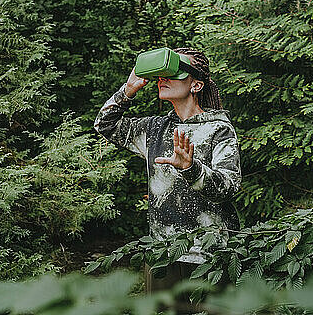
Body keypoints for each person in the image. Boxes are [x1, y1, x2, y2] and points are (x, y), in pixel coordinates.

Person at [93, 47, 242, 300]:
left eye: (173, 72)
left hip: (210, 254)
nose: (163, 78)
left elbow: (228, 187)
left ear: (196, 85)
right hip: (163, 253)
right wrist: (127, 90)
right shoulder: (154, 128)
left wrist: (191, 169)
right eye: (162, 73)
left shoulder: (219, 129)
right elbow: (105, 125)